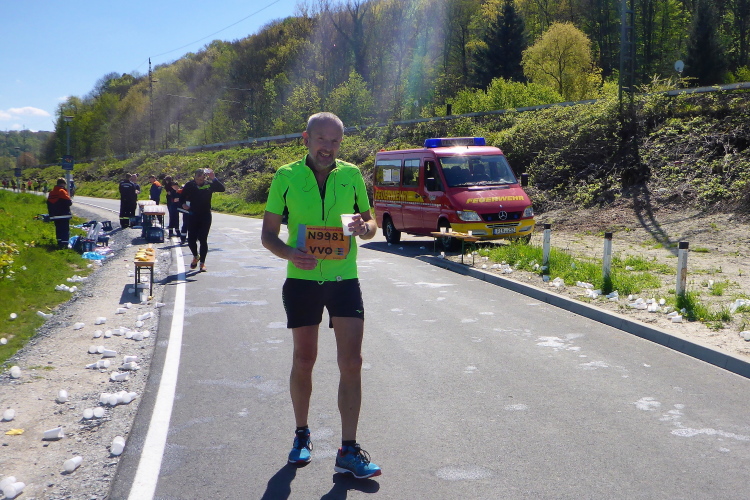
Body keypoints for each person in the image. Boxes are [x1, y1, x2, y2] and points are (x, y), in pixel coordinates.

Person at [261, 112, 381, 479]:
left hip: (344, 279)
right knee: (304, 359)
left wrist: (364, 228)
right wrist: (290, 254)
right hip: (302, 279)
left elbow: (371, 224)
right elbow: (268, 235)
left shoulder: (351, 175)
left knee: (352, 361)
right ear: (306, 138)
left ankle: (348, 450)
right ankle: (301, 434)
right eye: (321, 139)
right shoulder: (286, 176)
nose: (327, 147)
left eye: (335, 141)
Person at [180, 168, 225, 271]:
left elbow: (222, 189)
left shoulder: (209, 185)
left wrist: (213, 178)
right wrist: (183, 204)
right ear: (194, 177)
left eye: (202, 179)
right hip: (192, 214)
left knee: (203, 239)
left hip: (205, 215)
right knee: (191, 240)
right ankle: (196, 256)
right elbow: (181, 198)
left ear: (205, 178)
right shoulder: (189, 185)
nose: (200, 181)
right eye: (198, 179)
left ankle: (202, 263)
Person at [47, 178, 72, 248]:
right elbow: (69, 202)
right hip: (64, 214)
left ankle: (59, 243)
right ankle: (65, 245)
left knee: (58, 229)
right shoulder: (62, 191)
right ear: (63, 184)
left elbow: (49, 203)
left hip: (55, 215)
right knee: (65, 230)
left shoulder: (51, 193)